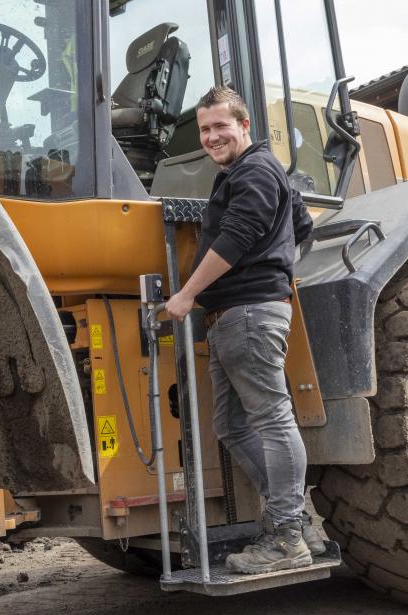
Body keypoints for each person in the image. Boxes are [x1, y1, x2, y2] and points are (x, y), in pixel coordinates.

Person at [165, 86, 321, 574]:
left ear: (245, 125)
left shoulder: (253, 169)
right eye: (205, 129)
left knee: (273, 421)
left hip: (250, 314)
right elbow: (302, 226)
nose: (212, 137)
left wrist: (187, 293)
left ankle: (286, 536)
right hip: (239, 315)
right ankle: (296, 521)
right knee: (232, 425)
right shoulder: (247, 173)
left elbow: (237, 235)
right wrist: (275, 267)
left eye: (220, 127)